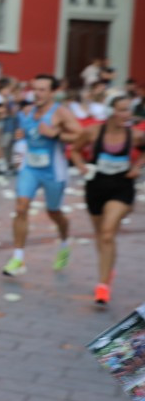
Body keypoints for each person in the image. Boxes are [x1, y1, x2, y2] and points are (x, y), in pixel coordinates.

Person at [1, 75, 81, 277]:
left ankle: (64, 243)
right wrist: (19, 148)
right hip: (30, 168)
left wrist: (56, 134)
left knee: (54, 212)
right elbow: (24, 136)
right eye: (35, 89)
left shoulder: (61, 113)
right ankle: (18, 258)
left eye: (43, 89)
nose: (37, 93)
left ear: (52, 92)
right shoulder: (27, 111)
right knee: (21, 207)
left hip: (53, 171)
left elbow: (80, 135)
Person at [69, 95, 145, 306]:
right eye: (121, 110)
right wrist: (81, 166)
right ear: (110, 110)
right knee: (101, 235)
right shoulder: (93, 131)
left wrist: (138, 166)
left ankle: (102, 286)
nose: (126, 114)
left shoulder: (136, 135)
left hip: (121, 188)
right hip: (95, 187)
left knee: (108, 232)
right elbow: (74, 150)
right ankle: (107, 268)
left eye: (128, 110)